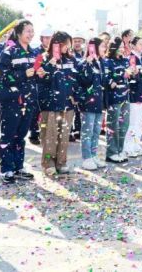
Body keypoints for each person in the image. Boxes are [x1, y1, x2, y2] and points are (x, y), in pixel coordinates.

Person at [0, 20, 43, 184]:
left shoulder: (34, 53)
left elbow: (34, 76)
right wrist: (23, 74)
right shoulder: (9, 52)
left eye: (32, 31)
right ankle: (6, 169)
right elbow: (3, 75)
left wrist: (39, 73)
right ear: (19, 32)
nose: (31, 34)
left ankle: (18, 167)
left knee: (21, 135)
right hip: (13, 100)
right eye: (28, 31)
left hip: (29, 100)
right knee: (8, 134)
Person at [39, 31, 79, 176]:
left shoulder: (71, 59)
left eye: (69, 44)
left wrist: (75, 95)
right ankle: (48, 163)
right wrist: (50, 64)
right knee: (50, 135)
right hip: (50, 104)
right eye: (66, 44)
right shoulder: (43, 58)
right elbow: (39, 79)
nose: (68, 47)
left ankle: (61, 162)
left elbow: (77, 79)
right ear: (57, 43)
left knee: (64, 134)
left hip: (67, 103)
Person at [78, 37, 109, 170]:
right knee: (88, 132)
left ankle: (94, 155)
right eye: (102, 46)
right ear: (94, 47)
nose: (104, 49)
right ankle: (87, 157)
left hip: (99, 102)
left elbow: (104, 83)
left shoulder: (100, 63)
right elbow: (85, 81)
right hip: (88, 103)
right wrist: (87, 64)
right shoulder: (84, 63)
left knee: (96, 131)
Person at [105, 38, 132, 161]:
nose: (121, 49)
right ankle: (111, 152)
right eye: (119, 47)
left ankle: (120, 150)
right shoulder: (108, 61)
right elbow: (107, 80)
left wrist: (133, 73)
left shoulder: (125, 61)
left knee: (124, 125)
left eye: (122, 46)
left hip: (125, 97)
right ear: (113, 47)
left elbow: (129, 77)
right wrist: (121, 76)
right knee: (113, 125)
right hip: (114, 98)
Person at [29, 28, 53, 145]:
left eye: (50, 38)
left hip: (51, 85)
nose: (48, 40)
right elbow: (35, 68)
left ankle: (46, 133)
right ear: (42, 39)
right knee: (36, 110)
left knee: (47, 111)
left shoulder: (55, 52)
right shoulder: (36, 52)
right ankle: (34, 133)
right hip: (38, 84)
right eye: (46, 38)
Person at [125, 37, 142, 157]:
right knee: (132, 122)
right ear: (133, 45)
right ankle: (128, 147)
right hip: (134, 94)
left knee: (140, 122)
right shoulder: (131, 58)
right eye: (140, 44)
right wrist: (140, 74)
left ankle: (137, 145)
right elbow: (132, 77)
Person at [69, 32, 86, 142]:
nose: (77, 43)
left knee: (80, 110)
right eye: (75, 41)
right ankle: (70, 131)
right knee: (71, 110)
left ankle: (78, 130)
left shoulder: (86, 54)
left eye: (79, 41)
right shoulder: (70, 55)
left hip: (83, 86)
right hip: (72, 86)